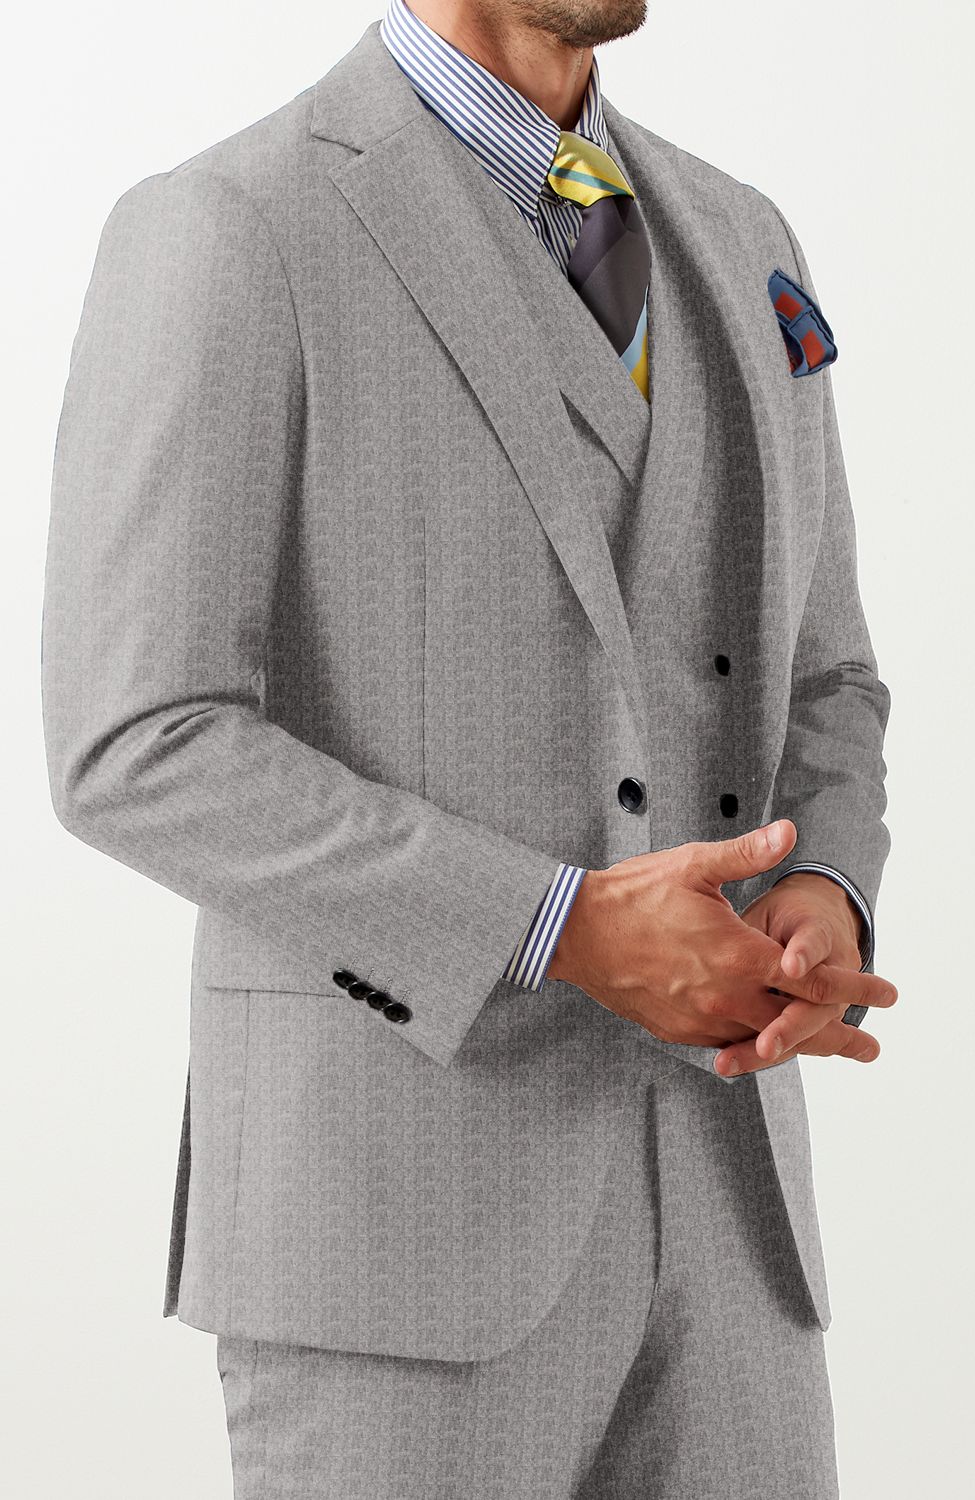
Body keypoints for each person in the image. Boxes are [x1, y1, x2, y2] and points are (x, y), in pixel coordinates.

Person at [41, 1, 898, 1494]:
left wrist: (824, 880)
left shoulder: (740, 232)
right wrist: (556, 926)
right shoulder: (230, 227)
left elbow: (828, 673)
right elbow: (136, 738)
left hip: (734, 1232)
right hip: (389, 1239)